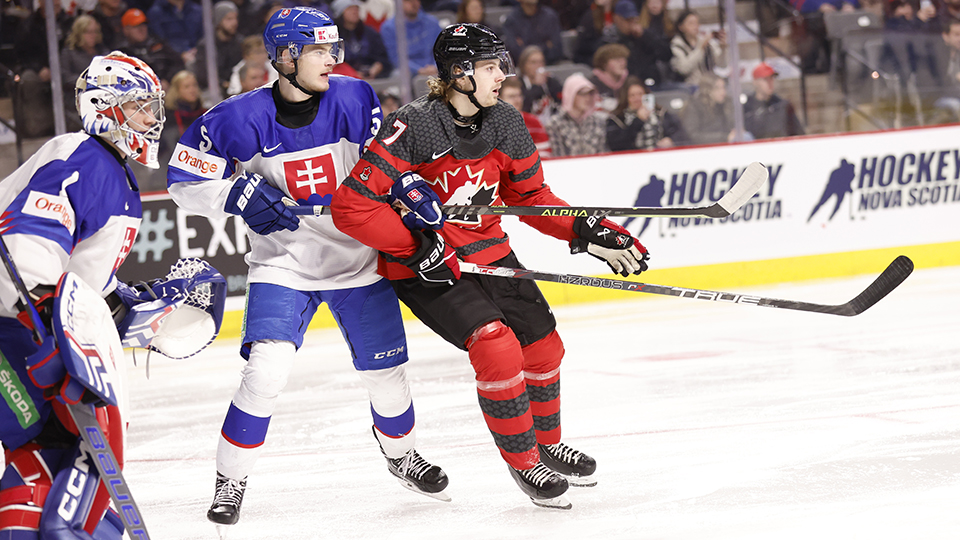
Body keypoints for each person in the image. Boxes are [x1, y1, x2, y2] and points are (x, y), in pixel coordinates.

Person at [330, 23, 648, 509]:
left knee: (544, 345)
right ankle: (525, 464)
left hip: (489, 253)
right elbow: (352, 206)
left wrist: (587, 229)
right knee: (497, 347)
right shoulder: (413, 125)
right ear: (459, 73)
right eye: (490, 66)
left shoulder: (506, 122)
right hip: (429, 265)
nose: (502, 74)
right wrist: (415, 249)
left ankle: (547, 443)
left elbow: (532, 198)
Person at [165, 7, 449, 529]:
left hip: (357, 261)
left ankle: (402, 456)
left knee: (387, 376)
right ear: (286, 56)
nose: (332, 59)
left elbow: (378, 162)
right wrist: (236, 192)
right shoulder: (235, 118)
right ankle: (231, 480)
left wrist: (404, 186)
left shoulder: (353, 95)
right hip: (284, 265)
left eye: (333, 49)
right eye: (319, 50)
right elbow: (182, 177)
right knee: (264, 372)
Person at [0, 51, 164, 540]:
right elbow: (27, 243)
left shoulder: (110, 170)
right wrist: (44, 321)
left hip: (22, 321)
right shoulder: (82, 156)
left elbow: (81, 284)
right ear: (105, 107)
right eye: (140, 106)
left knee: (43, 458)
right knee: (52, 453)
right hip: (14, 322)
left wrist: (134, 305)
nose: (153, 119)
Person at [606, 75, 690, 151]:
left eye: (640, 94)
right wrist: (638, 121)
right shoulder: (617, 119)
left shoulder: (661, 114)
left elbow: (681, 134)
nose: (637, 99)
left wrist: (672, 141)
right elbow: (616, 145)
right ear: (626, 98)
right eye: (632, 95)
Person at [60, 15, 109, 130]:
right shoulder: (68, 53)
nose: (93, 36)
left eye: (95, 32)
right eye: (88, 32)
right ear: (79, 33)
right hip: (78, 98)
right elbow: (65, 78)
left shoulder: (103, 51)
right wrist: (90, 82)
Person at [118, 8, 186, 88]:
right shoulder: (121, 52)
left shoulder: (158, 43)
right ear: (126, 30)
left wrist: (167, 80)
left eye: (143, 24)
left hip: (167, 87)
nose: (141, 29)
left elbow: (178, 62)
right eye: (136, 26)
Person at [545, 73, 609, 156]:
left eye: (590, 93)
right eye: (582, 94)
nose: (588, 98)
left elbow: (603, 153)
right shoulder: (555, 124)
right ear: (571, 94)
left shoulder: (598, 122)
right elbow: (557, 156)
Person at [743, 62, 805, 139]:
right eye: (765, 79)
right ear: (755, 82)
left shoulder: (783, 106)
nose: (770, 83)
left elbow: (798, 133)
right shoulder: (746, 108)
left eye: (772, 78)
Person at [380, 0, 442, 77]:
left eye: (416, 0)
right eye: (408, 1)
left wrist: (435, 66)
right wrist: (418, 70)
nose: (414, 3)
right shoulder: (389, 28)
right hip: (408, 73)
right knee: (397, 75)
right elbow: (396, 58)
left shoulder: (433, 22)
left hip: (434, 69)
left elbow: (441, 50)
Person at [194, 0, 244, 94]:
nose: (234, 23)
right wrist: (223, 84)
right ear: (218, 21)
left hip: (237, 87)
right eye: (229, 19)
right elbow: (203, 76)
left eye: (235, 18)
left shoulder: (239, 42)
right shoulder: (206, 46)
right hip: (213, 91)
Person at [334, 0, 392, 79]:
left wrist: (374, 70)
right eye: (350, 9)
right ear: (340, 13)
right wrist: (352, 73)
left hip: (373, 74)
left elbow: (382, 56)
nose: (355, 12)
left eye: (356, 9)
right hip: (344, 76)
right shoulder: (334, 35)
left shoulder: (369, 32)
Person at [670, 9, 726, 86]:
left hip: (709, 84)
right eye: (691, 23)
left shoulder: (704, 41)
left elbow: (721, 64)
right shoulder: (677, 45)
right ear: (681, 27)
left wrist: (723, 47)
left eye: (697, 23)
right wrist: (700, 49)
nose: (695, 26)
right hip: (690, 86)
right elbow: (684, 68)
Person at [500, 75, 552, 156]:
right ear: (499, 99)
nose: (517, 100)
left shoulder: (533, 121)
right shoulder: (492, 125)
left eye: (519, 95)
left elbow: (545, 153)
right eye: (511, 96)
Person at [501, 0, 565, 64]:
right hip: (521, 68)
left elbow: (556, 49)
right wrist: (545, 46)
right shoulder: (511, 20)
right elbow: (514, 51)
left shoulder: (550, 16)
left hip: (549, 64)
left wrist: (525, 48)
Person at [680, 72, 735, 144]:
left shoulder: (726, 103)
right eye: (717, 88)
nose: (723, 92)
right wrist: (725, 137)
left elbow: (732, 125)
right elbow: (692, 135)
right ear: (707, 89)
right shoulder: (694, 106)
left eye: (723, 87)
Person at [517, 45, 563, 123]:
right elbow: (524, 107)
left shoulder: (551, 81)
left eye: (541, 62)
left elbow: (561, 102)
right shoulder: (519, 83)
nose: (538, 66)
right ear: (524, 65)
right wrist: (536, 86)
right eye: (533, 62)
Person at [589, 42, 631, 111]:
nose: (622, 63)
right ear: (604, 63)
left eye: (623, 59)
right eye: (616, 60)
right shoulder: (592, 85)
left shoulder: (629, 82)